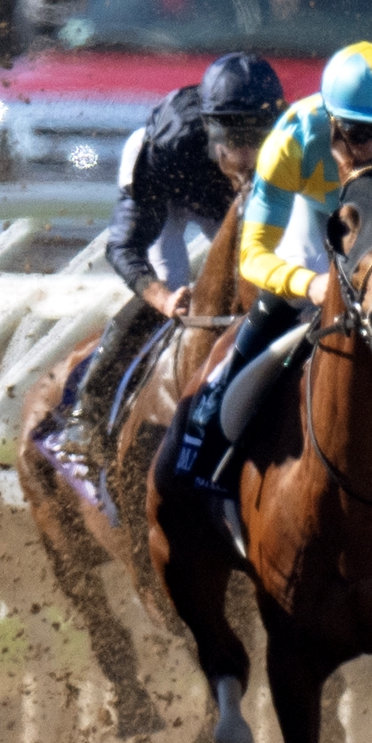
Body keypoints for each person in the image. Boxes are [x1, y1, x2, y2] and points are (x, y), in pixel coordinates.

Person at [168, 41, 372, 547]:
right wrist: (309, 284)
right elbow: (255, 255)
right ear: (331, 123)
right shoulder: (292, 141)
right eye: (357, 134)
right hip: (311, 236)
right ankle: (200, 459)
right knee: (255, 336)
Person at [75, 51, 284, 446]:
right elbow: (123, 247)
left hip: (224, 202)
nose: (247, 157)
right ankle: (86, 412)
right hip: (172, 190)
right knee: (173, 281)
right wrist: (163, 299)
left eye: (260, 138)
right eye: (234, 140)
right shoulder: (167, 149)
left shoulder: (292, 150)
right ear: (210, 130)